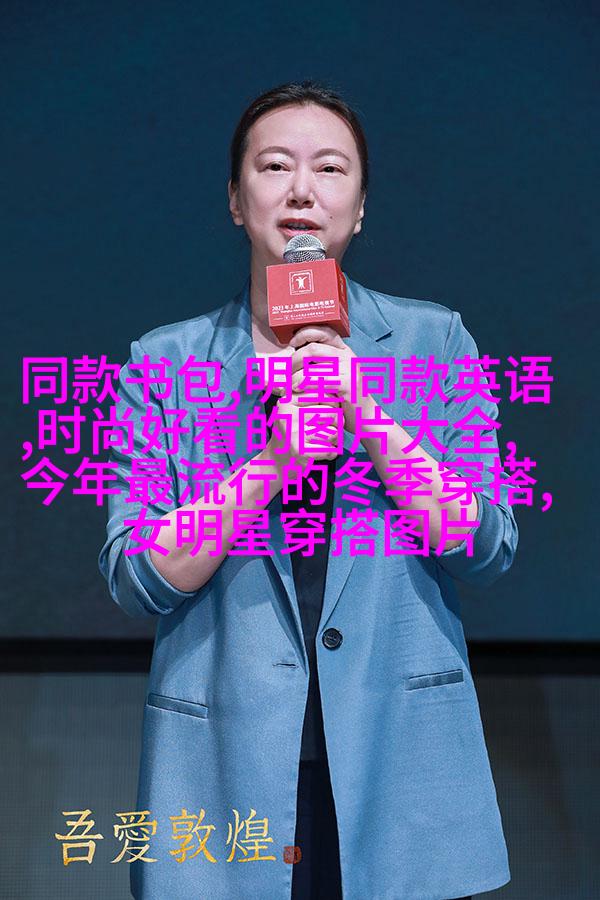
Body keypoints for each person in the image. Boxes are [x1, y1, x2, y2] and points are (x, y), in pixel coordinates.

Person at [99, 80, 517, 900]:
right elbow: (137, 576)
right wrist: (270, 465)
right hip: (224, 767)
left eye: (329, 168)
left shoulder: (434, 341)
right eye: (273, 166)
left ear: (359, 208)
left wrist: (369, 416)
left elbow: (487, 544)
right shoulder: (164, 363)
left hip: (402, 759)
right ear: (235, 199)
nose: (301, 190)